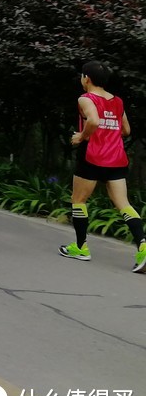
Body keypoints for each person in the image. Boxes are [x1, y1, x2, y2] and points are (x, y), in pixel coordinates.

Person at [60, 61, 146, 272]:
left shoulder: (85, 98)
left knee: (79, 200)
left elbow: (94, 121)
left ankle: (80, 247)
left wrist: (82, 137)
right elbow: (125, 130)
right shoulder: (117, 101)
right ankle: (143, 246)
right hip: (116, 158)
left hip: (91, 157)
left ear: (86, 79)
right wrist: (110, 132)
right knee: (123, 204)